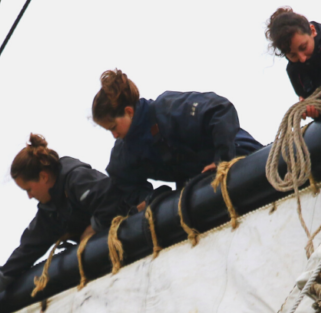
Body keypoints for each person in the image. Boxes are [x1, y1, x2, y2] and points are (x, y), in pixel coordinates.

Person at [90, 69, 262, 226]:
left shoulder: (167, 109)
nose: (114, 135)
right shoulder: (124, 154)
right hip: (200, 187)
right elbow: (120, 179)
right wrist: (149, 199)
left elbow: (219, 110)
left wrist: (222, 160)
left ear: (129, 111)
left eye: (113, 127)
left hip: (241, 158)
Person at [0, 134, 109, 313]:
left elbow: (112, 199)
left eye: (29, 189)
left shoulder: (78, 179)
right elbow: (26, 251)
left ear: (44, 176)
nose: (29, 196)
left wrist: (93, 228)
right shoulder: (50, 213)